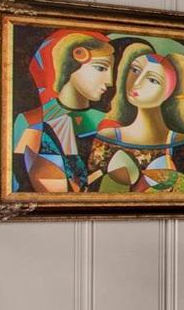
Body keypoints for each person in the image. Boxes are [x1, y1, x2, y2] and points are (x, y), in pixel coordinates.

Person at [88, 37, 184, 194]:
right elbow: (89, 188)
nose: (136, 82)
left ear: (170, 91)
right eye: (135, 70)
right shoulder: (107, 136)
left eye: (152, 79)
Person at [10, 29, 115, 192]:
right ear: (68, 65)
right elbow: (14, 184)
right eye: (101, 68)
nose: (109, 81)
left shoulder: (107, 122)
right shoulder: (31, 120)